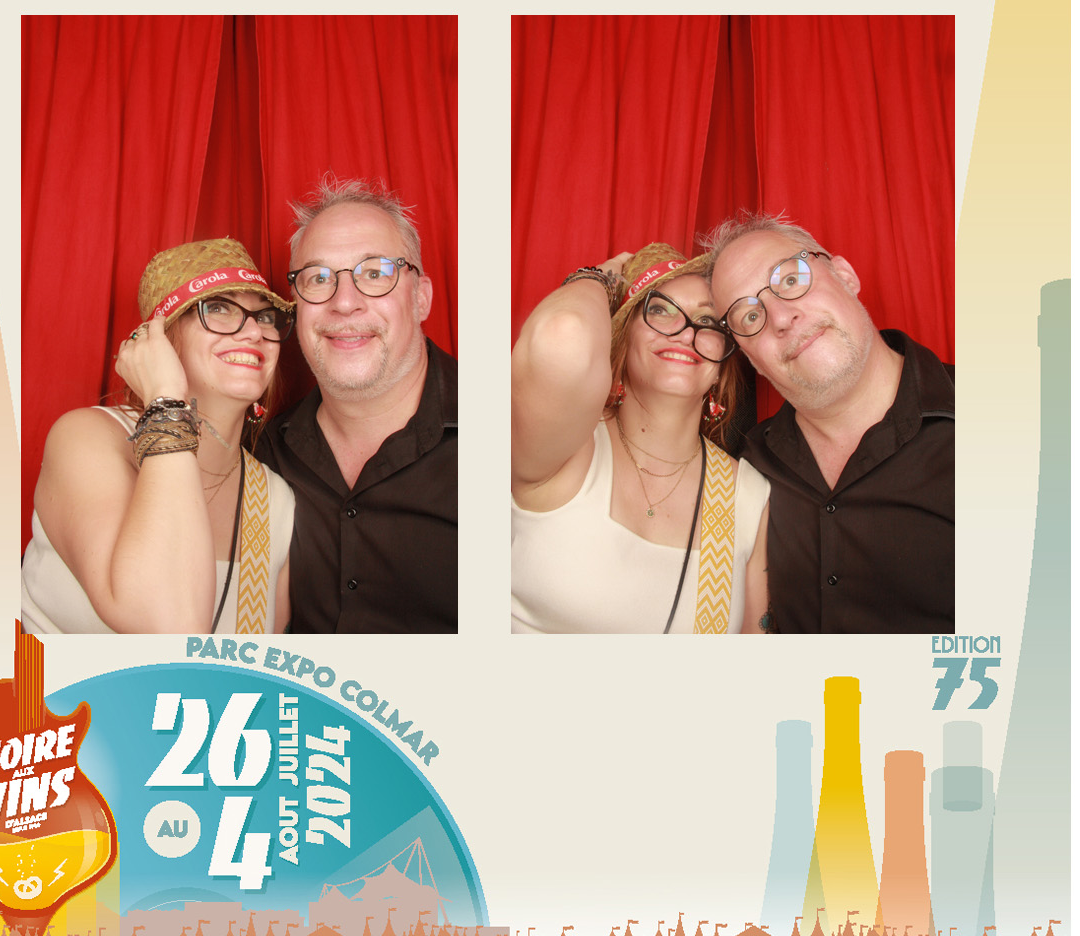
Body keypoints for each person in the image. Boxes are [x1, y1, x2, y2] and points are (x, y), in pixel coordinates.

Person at [22, 239, 297, 635]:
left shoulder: (275, 501)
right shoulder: (88, 438)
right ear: (160, 340)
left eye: (266, 316)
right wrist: (167, 400)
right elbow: (165, 626)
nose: (255, 331)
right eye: (218, 308)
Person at [705, 214, 955, 633]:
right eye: (749, 317)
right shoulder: (744, 472)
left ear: (845, 276)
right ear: (751, 359)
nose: (780, 318)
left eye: (789, 280)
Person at [511, 245, 770, 634]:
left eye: (707, 320)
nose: (685, 331)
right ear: (621, 341)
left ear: (721, 363)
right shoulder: (566, 447)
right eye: (660, 309)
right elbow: (563, 332)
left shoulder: (749, 497)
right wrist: (601, 277)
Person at [257, 177, 457, 633]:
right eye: (318, 278)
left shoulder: (509, 433)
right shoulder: (263, 455)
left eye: (375, 273)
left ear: (421, 298)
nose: (344, 303)